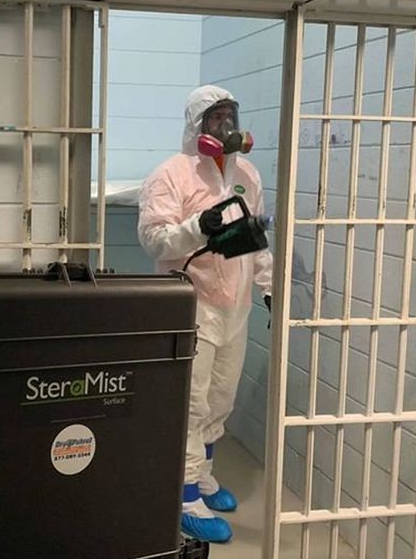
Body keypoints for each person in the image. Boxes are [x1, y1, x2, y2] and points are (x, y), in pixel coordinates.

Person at [138, 85, 274, 543]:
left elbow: (257, 241)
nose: (227, 127)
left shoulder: (247, 175)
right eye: (217, 118)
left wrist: (269, 288)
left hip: (235, 306)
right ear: (198, 124)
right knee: (192, 403)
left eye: (231, 116)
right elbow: (155, 240)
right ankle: (184, 494)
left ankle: (206, 475)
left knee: (220, 398)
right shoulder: (171, 175)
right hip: (191, 303)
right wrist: (199, 227)